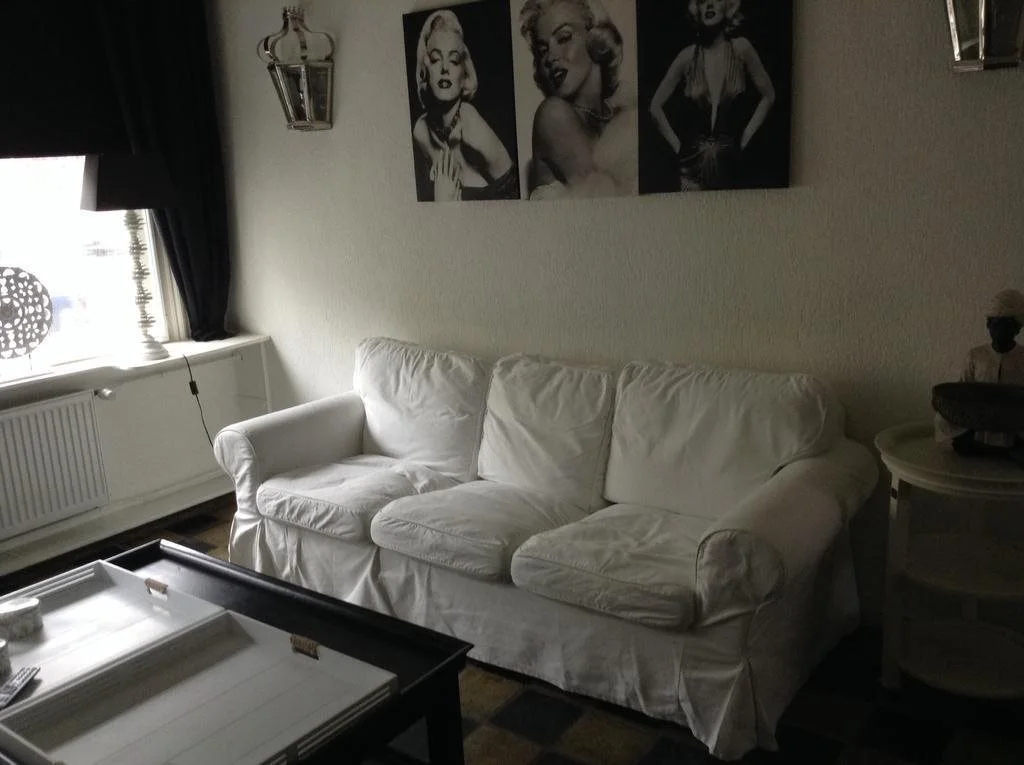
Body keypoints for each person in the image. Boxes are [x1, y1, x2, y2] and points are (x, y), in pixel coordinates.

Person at [649, 0, 775, 191]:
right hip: (691, 169)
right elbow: (655, 106)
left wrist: (745, 138)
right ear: (696, 11)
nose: (709, 4)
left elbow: (769, 96)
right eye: (702, 1)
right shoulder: (687, 56)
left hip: (731, 165)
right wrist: (679, 148)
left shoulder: (741, 48)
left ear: (728, 8)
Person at [519, 0, 638, 199]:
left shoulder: (623, 112)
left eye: (563, 38)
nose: (551, 57)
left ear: (596, 38)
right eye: (542, 51)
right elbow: (610, 202)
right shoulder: (553, 115)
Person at [411, 10, 518, 202]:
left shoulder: (474, 133)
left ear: (465, 76)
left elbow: (519, 197)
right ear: (425, 71)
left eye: (454, 60)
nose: (445, 68)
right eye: (435, 59)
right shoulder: (421, 132)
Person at [935, 289, 1024, 453]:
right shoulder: (976, 355)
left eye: (1007, 326)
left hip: (1013, 421)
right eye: (996, 324)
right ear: (988, 325)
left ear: (1018, 328)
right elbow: (962, 390)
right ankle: (994, 449)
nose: (1000, 331)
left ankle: (1000, 449)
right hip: (979, 419)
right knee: (942, 419)